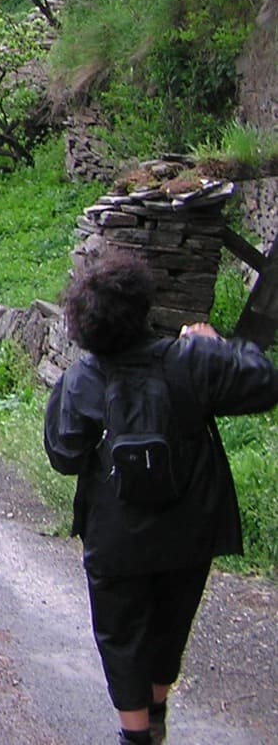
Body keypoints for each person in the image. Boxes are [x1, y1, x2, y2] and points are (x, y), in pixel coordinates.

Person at [44, 249, 278, 745]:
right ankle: (158, 717)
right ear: (144, 305)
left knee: (120, 636)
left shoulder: (83, 378)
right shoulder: (192, 359)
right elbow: (265, 382)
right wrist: (219, 346)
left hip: (115, 537)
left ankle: (136, 735)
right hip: (189, 527)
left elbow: (63, 455)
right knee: (170, 627)